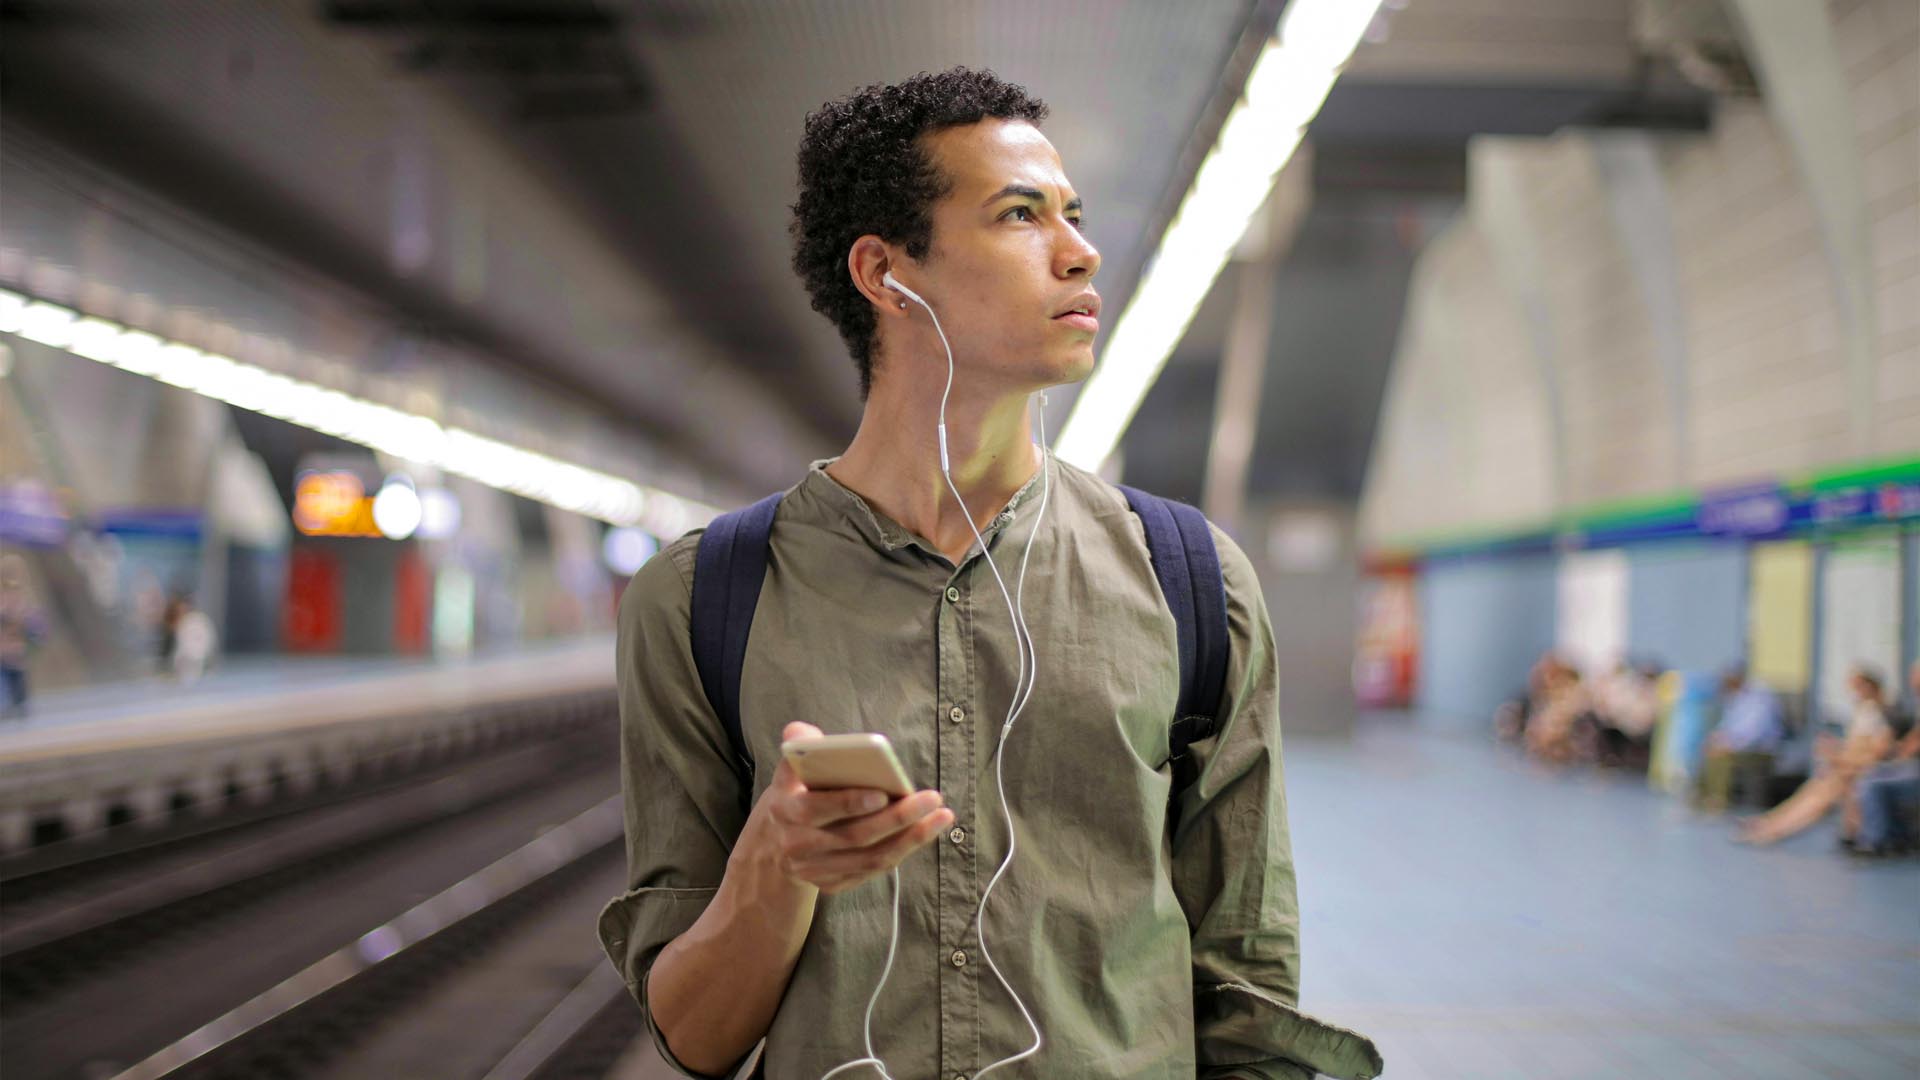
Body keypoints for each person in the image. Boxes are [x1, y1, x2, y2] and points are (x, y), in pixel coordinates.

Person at [596, 69, 1380, 1080]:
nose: (1081, 251)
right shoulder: (705, 600)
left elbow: (1250, 991)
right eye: (1021, 215)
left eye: (1073, 215)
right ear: (887, 274)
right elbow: (694, 1037)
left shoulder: (1190, 582)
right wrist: (773, 871)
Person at [1738, 665, 1893, 846]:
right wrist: (1835, 750)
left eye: (1857, 687)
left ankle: (1774, 830)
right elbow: (1856, 747)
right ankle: (1770, 823)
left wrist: (1840, 759)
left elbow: (1876, 754)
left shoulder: (1881, 715)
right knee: (1811, 791)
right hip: (1847, 766)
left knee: (1818, 799)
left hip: (1857, 769)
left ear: (1870, 686)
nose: (1854, 692)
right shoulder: (1864, 711)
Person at [1847, 660, 1920, 856]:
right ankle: (1890, 835)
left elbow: (1910, 745)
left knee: (1871, 783)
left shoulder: (1889, 710)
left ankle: (1875, 840)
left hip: (1913, 769)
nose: (1912, 681)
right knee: (1867, 777)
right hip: (1908, 765)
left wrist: (1897, 754)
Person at [1695, 664, 1785, 813]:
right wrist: (1717, 738)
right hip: (1741, 745)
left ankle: (1718, 801)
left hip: (1762, 749)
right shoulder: (1737, 697)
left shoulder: (1759, 697)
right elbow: (1728, 725)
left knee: (1721, 756)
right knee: (1709, 749)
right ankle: (1702, 796)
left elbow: (1754, 732)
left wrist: (1730, 745)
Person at [0, 554, 48, 719]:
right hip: (4, 655)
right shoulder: (4, 602)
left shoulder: (25, 603)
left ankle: (18, 707)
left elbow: (37, 628)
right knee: (6, 689)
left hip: (17, 655)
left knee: (19, 693)